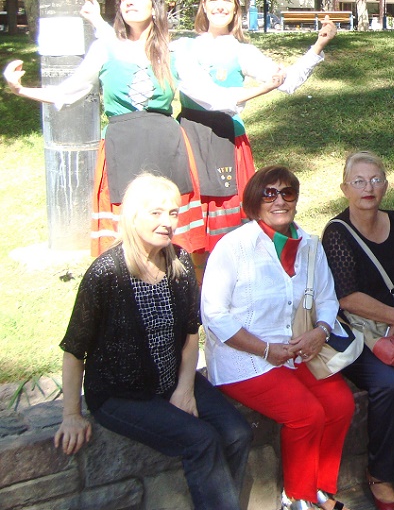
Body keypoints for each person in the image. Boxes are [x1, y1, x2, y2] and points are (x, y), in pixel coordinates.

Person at [3, 0, 282, 257]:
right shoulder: (105, 48)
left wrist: (263, 88)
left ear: (154, 6)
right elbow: (69, 91)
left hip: (167, 146)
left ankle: (174, 293)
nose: (129, 1)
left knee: (173, 241)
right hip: (121, 146)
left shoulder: (173, 51)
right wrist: (21, 89)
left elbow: (210, 96)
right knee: (126, 240)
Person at [54, 173, 252, 509]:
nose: (167, 222)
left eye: (173, 213)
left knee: (237, 432)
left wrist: (185, 389)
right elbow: (75, 350)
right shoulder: (106, 273)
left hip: (173, 380)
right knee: (200, 440)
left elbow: (192, 333)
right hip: (120, 393)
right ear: (132, 216)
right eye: (156, 213)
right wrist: (71, 413)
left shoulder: (180, 262)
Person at [201, 165, 354, 510]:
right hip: (245, 359)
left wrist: (321, 331)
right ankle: (296, 497)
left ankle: (320, 489)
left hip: (296, 352)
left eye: (287, 193)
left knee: (342, 405)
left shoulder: (310, 245)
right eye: (269, 193)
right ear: (254, 201)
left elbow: (328, 299)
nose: (279, 200)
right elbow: (214, 316)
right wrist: (265, 349)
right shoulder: (233, 247)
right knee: (306, 414)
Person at [173, 0, 336, 256]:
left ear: (236, 9)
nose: (219, 6)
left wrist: (318, 45)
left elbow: (286, 82)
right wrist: (262, 88)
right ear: (203, 5)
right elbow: (208, 96)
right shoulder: (183, 48)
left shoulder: (241, 51)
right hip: (191, 139)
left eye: (227, 0)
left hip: (228, 140)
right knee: (191, 227)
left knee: (232, 230)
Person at [322, 151, 394, 510]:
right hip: (360, 334)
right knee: (390, 385)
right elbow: (347, 298)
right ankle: (380, 474)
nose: (369, 188)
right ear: (344, 189)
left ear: (386, 184)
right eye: (359, 181)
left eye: (376, 179)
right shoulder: (336, 233)